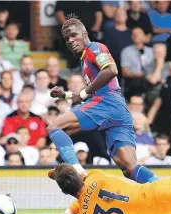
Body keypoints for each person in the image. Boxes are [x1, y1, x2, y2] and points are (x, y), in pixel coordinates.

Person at [47, 15, 157, 184]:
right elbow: (87, 93)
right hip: (117, 109)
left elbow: (111, 70)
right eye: (67, 38)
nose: (70, 40)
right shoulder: (85, 59)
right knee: (129, 167)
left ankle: (76, 168)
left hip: (106, 103)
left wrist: (84, 93)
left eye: (73, 34)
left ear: (84, 33)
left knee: (55, 126)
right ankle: (161, 187)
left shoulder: (95, 48)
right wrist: (66, 95)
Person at [41, 163, 171, 214]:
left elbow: (83, 199)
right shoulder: (96, 176)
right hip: (168, 191)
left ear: (64, 191)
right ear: (79, 175)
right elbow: (86, 190)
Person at [103, 8, 132, 72]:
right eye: (118, 14)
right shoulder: (109, 32)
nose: (120, 15)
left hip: (130, 66)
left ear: (126, 16)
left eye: (122, 14)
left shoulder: (132, 33)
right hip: (114, 66)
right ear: (114, 17)